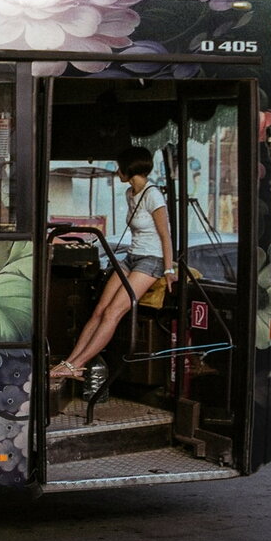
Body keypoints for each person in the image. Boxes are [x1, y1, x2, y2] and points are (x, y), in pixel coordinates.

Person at [52, 146, 176, 380]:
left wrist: (168, 269)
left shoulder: (153, 195)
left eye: (120, 167)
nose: (117, 172)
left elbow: (165, 235)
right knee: (99, 309)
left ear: (129, 168)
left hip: (152, 260)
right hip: (132, 256)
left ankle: (77, 364)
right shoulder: (131, 194)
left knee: (112, 313)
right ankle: (70, 362)